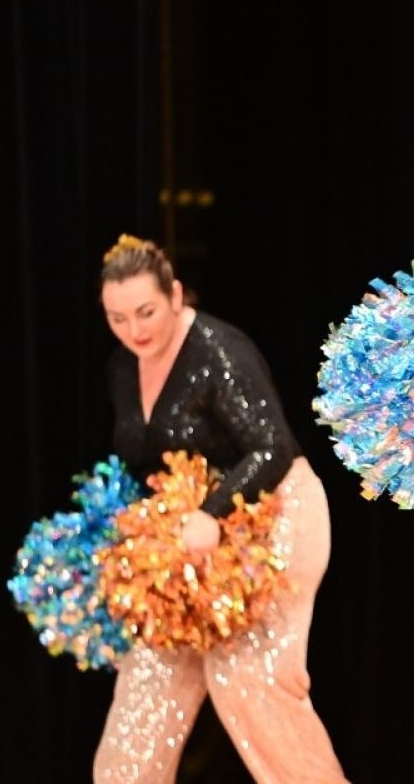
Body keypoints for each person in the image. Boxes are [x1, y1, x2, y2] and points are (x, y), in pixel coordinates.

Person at [92, 236, 347, 784]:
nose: (135, 330)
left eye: (146, 312)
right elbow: (142, 468)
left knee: (249, 681)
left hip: (275, 515)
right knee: (145, 690)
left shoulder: (218, 350)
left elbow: (273, 448)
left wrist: (212, 511)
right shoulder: (121, 368)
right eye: (117, 318)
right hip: (188, 545)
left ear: (176, 295)